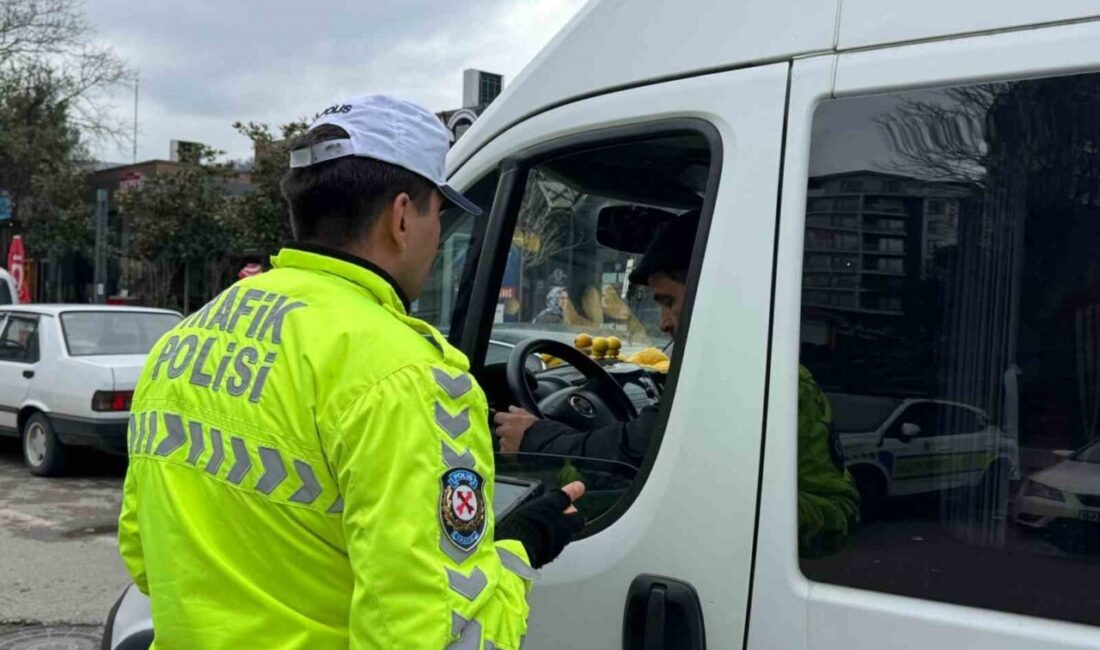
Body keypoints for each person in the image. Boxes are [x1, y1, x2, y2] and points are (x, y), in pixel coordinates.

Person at [118, 95, 585, 650]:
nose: (439, 238)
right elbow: (438, 638)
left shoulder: (187, 339)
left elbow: (145, 555)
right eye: (441, 214)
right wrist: (520, 547)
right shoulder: (406, 371)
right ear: (404, 216)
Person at [494, 210, 859, 556]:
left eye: (669, 302)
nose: (665, 323)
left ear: (710, 291)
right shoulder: (710, 376)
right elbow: (636, 448)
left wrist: (538, 443)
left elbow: (837, 514)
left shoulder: (770, 385)